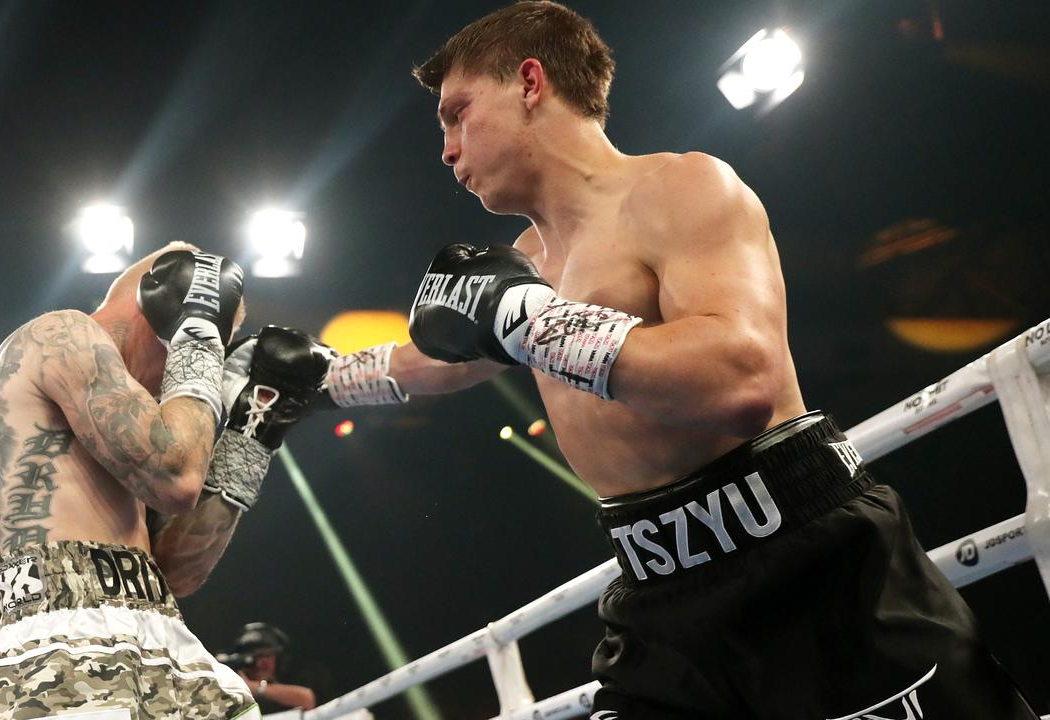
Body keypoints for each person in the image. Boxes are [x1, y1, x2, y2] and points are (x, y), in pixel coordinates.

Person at [323, 3, 1039, 718]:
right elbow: (435, 363)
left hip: (806, 559)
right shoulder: (522, 268)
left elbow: (742, 381)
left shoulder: (678, 189)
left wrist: (531, 319)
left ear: (531, 82)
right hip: (660, 603)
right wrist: (313, 382)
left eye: (457, 112)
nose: (447, 147)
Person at [0, 242, 330, 720]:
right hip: (63, 636)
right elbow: (177, 476)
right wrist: (199, 337)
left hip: (161, 631)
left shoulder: (125, 426)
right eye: (198, 345)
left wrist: (253, 434)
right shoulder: (59, 336)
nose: (198, 372)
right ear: (167, 313)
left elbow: (177, 573)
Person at [220, 622, 318, 712]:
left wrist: (254, 688)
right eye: (251, 658)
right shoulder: (230, 694)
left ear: (278, 658)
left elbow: (307, 699)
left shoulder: (286, 695)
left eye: (264, 656)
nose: (258, 664)